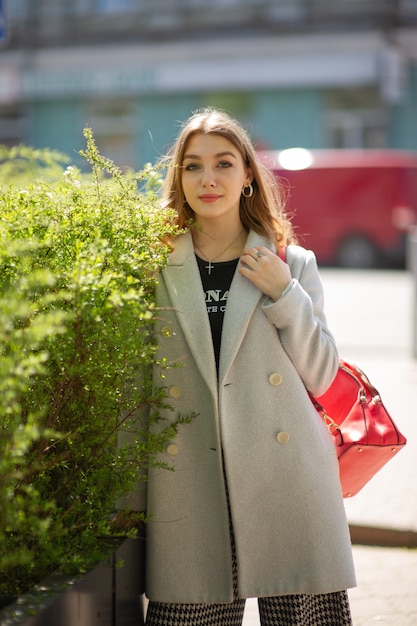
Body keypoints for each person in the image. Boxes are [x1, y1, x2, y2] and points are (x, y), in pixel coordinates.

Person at [142, 108, 356, 626]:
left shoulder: (292, 262)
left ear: (247, 178)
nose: (208, 179)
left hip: (287, 480)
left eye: (223, 163)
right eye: (192, 166)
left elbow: (326, 376)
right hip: (190, 484)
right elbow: (135, 391)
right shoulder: (152, 266)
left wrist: (285, 293)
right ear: (179, 179)